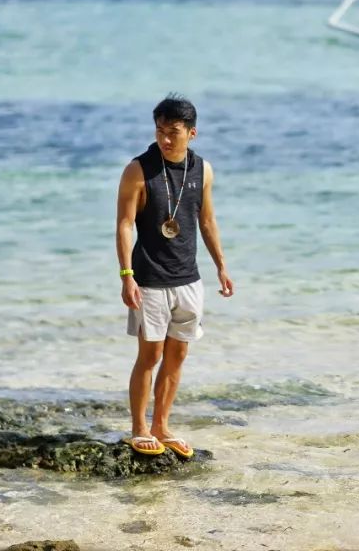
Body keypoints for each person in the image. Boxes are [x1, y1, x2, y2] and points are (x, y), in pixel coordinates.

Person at [116, 94, 235, 457]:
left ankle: (162, 425)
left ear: (192, 133)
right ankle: (138, 428)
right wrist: (126, 275)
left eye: (173, 132)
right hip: (150, 278)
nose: (165, 139)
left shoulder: (203, 170)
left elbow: (207, 220)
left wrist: (221, 266)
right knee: (150, 355)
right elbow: (124, 224)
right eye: (159, 130)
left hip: (189, 278)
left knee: (178, 355)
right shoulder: (139, 169)